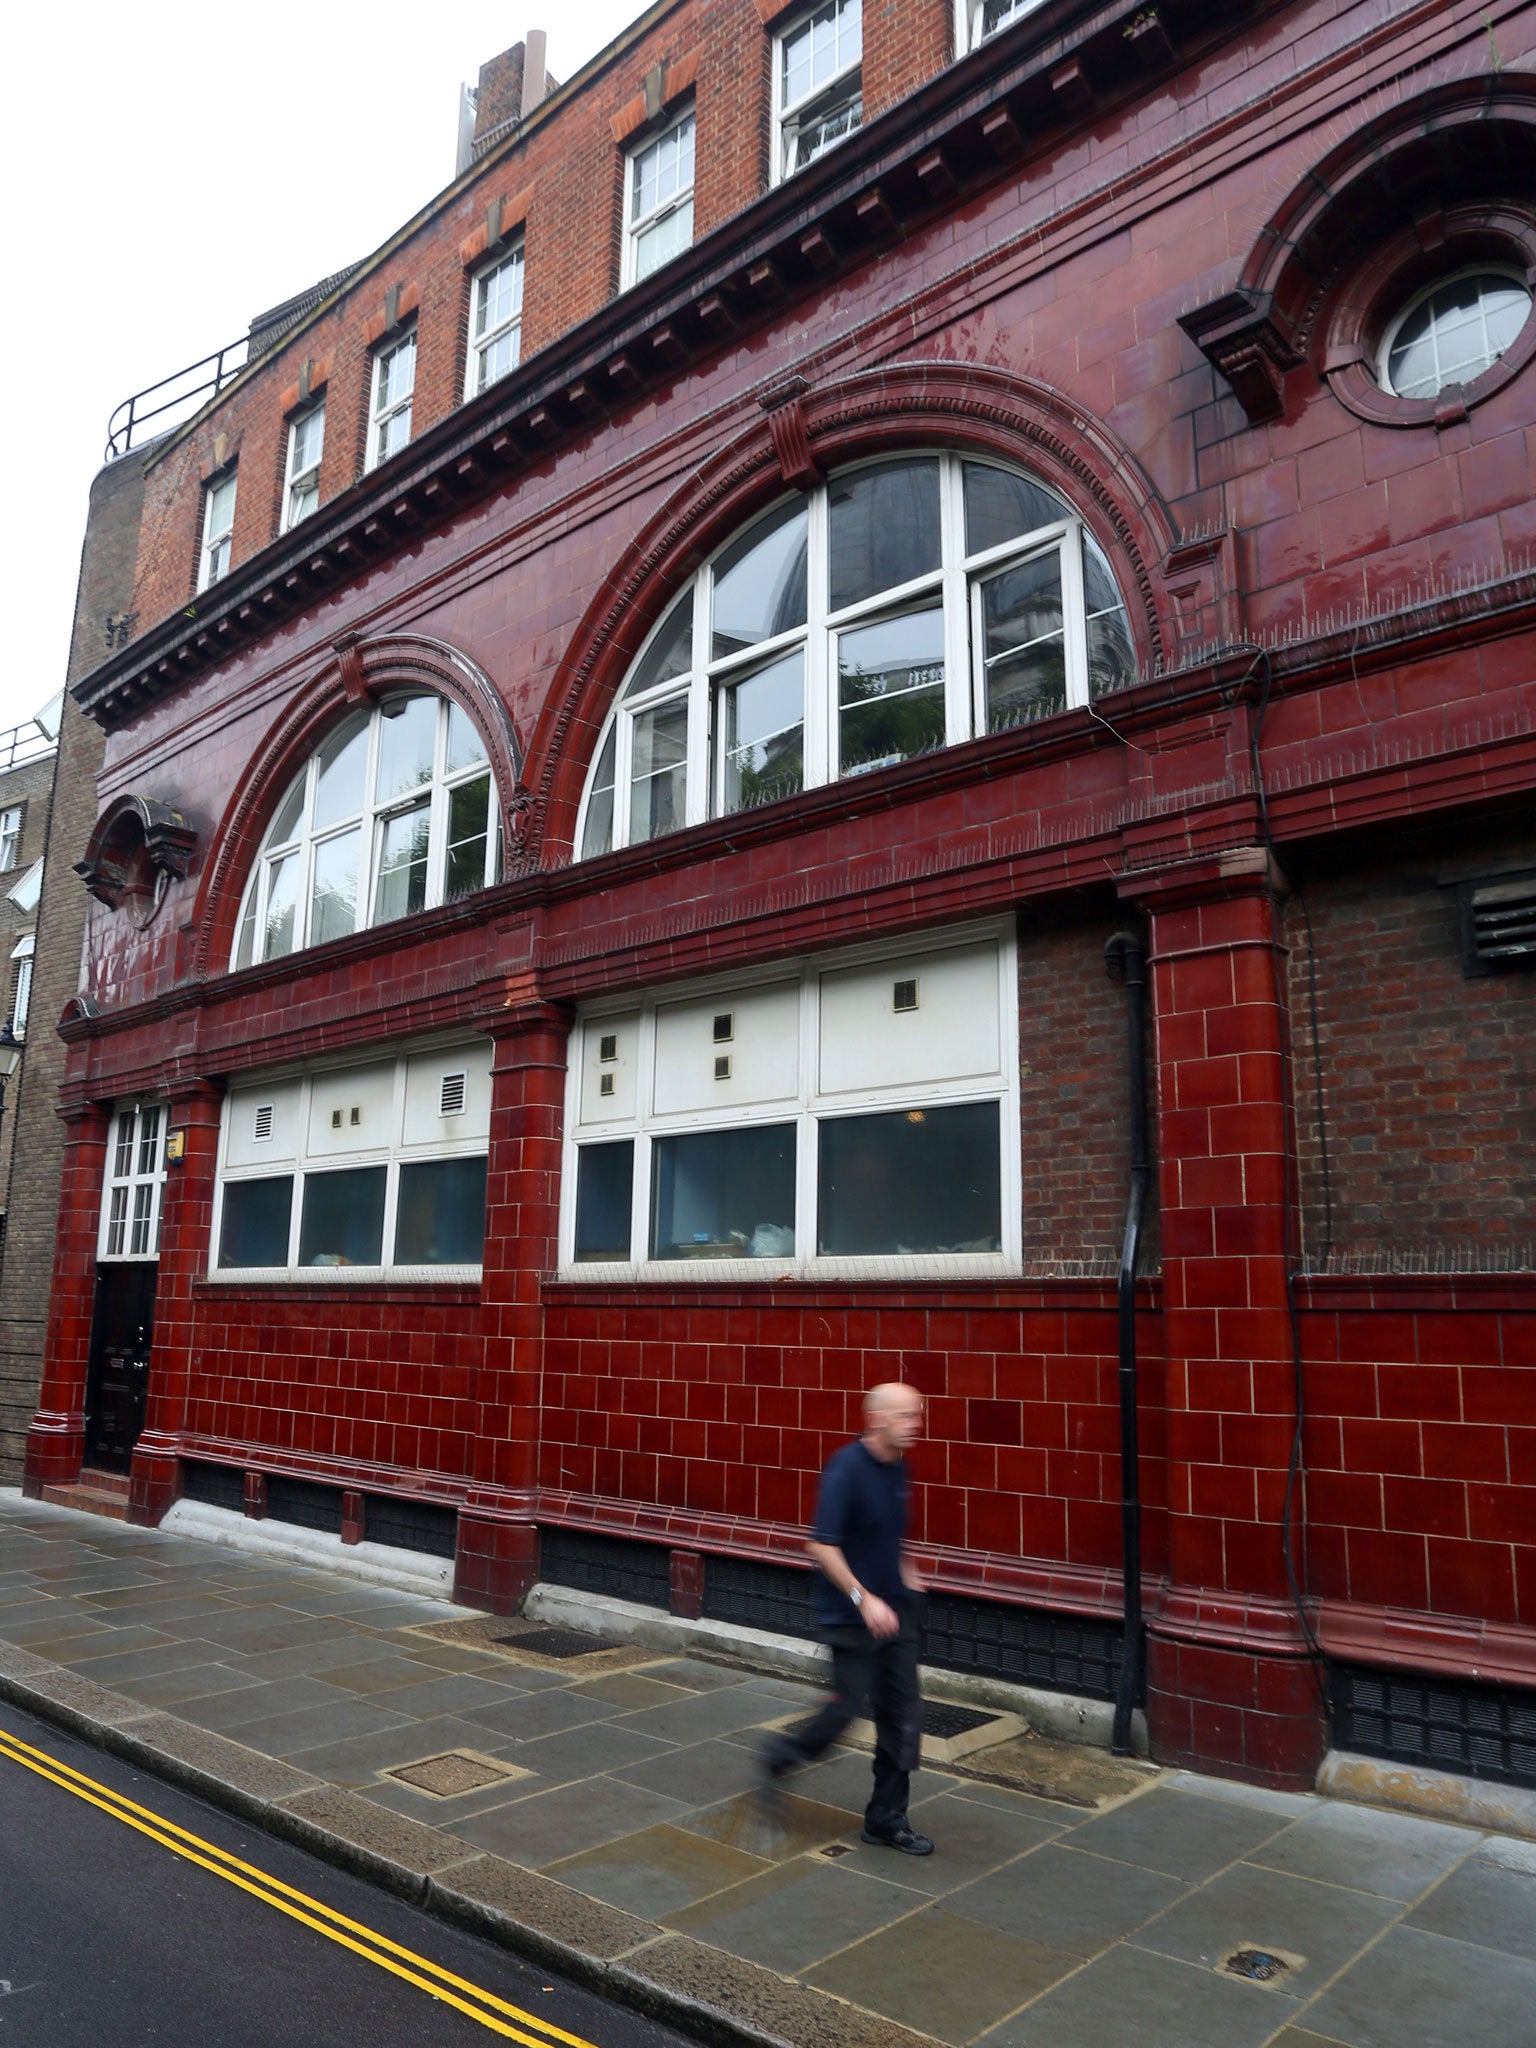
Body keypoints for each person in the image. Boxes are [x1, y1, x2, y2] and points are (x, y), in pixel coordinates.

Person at [761, 1381, 934, 1855]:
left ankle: (886, 1819)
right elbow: (821, 1545)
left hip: (895, 1616)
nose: (914, 1424)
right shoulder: (846, 1470)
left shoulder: (900, 1464)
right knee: (843, 1714)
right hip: (850, 1617)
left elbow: (889, 1536)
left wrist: (907, 1577)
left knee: (903, 1717)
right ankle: (779, 1757)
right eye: (905, 1416)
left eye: (917, 1415)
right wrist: (864, 1598)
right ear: (876, 1419)